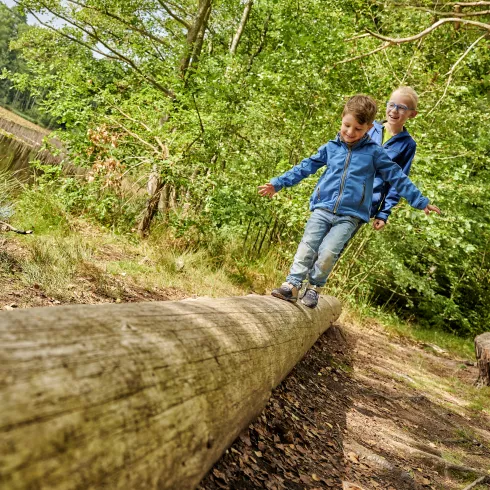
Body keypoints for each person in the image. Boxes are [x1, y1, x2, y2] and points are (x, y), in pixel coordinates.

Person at [258, 95, 440, 308]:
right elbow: (305, 167)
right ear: (342, 119)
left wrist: (420, 201)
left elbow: (397, 177)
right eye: (347, 126)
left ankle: (314, 288)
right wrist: (278, 183)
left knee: (328, 253)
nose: (350, 133)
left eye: (358, 129)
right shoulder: (331, 147)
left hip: (351, 215)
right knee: (307, 246)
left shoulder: (374, 153)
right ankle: (292, 285)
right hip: (323, 207)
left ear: (369, 128)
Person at [370, 86, 420, 231]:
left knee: (333, 250)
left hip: (367, 204)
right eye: (391, 104)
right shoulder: (368, 127)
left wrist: (383, 213)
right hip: (343, 195)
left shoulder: (408, 145)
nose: (394, 111)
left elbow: (398, 181)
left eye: (402, 108)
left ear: (412, 114)